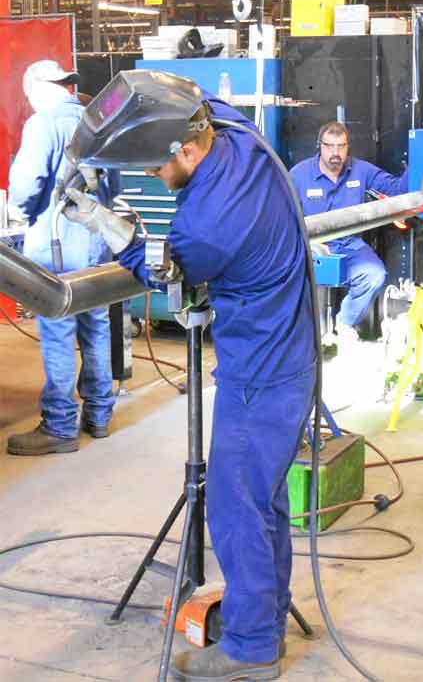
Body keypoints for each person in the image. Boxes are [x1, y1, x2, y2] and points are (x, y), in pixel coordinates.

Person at [64, 79, 315, 681]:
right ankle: (267, 612)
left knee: (233, 506)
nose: (150, 175)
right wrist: (97, 153)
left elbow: (163, 269)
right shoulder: (232, 129)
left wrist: (106, 223)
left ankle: (252, 651)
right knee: (262, 501)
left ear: (188, 150)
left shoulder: (208, 225)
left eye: (153, 163)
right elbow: (181, 96)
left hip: (261, 371)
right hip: (286, 357)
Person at [7, 60, 119, 456]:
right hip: (96, 243)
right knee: (96, 326)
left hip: (55, 244)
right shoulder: (95, 122)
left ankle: (58, 425)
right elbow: (115, 182)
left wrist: (20, 211)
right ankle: (99, 414)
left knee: (58, 331)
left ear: (36, 89)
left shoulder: (43, 123)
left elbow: (25, 185)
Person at [289, 121, 407, 340]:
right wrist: (306, 243)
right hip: (311, 248)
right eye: (330, 146)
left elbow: (397, 189)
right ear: (320, 146)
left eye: (341, 146)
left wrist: (418, 164)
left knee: (374, 274)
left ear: (347, 147)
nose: (336, 153)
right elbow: (282, 214)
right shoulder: (299, 175)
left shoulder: (361, 170)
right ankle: (303, 336)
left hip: (350, 246)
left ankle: (344, 324)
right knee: (289, 280)